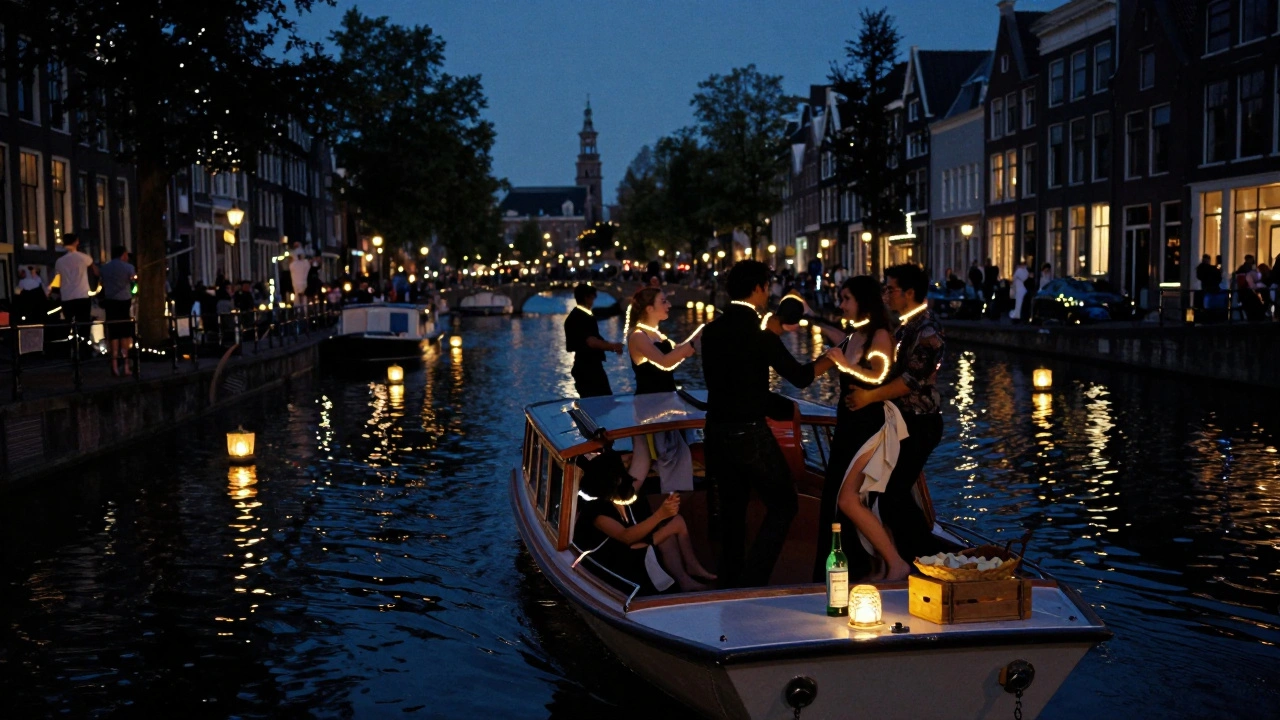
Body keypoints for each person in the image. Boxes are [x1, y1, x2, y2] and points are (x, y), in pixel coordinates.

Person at [700, 260, 835, 588]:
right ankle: (753, 580)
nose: (769, 291)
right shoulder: (759, 335)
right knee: (784, 504)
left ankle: (729, 582)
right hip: (749, 434)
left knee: (732, 511)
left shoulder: (711, 331)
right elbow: (801, 377)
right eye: (767, 286)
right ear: (758, 288)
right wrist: (832, 358)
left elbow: (727, 383)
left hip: (715, 432)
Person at [846, 263, 946, 566]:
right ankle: (916, 557)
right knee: (892, 493)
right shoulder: (905, 326)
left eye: (890, 288)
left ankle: (930, 559)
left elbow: (910, 381)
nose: (885, 294)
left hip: (920, 422)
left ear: (910, 292)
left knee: (893, 493)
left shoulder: (927, 331)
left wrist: (868, 396)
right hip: (905, 422)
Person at [812, 275, 908, 582]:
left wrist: (843, 364)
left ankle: (896, 563)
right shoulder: (854, 335)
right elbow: (838, 344)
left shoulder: (879, 335)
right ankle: (873, 566)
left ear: (862, 302)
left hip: (867, 427)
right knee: (852, 499)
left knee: (848, 499)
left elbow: (879, 375)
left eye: (846, 299)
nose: (841, 304)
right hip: (847, 426)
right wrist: (810, 320)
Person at [573, 450, 715, 594]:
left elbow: (642, 461)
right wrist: (660, 514)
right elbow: (626, 537)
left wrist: (639, 434)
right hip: (611, 563)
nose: (629, 468)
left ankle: (687, 577)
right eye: (624, 465)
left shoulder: (623, 496)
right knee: (669, 526)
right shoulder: (596, 510)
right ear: (615, 477)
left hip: (629, 550)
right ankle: (688, 573)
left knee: (672, 525)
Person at [628, 287, 702, 493]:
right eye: (663, 301)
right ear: (649, 308)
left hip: (667, 402)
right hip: (652, 406)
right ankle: (673, 504)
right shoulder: (638, 336)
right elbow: (665, 362)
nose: (669, 305)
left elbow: (678, 350)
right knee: (670, 455)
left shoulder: (656, 335)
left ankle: (631, 501)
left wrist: (701, 332)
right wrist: (693, 345)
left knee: (654, 458)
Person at [564, 283, 622, 397]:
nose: (594, 300)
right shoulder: (580, 317)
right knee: (601, 401)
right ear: (587, 297)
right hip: (589, 369)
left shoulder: (579, 315)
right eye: (593, 297)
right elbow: (591, 341)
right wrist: (613, 346)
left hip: (587, 367)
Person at [53, 234, 98, 359]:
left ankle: (69, 352)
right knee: (83, 325)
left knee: (69, 325)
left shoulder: (59, 261)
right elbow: (95, 271)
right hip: (82, 295)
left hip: (67, 297)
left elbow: (57, 278)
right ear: (77, 242)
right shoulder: (84, 258)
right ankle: (84, 352)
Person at [100, 246, 136, 376]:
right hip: (123, 303)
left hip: (110, 303)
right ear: (123, 255)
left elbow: (101, 281)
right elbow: (133, 281)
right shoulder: (129, 267)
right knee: (125, 335)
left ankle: (114, 365)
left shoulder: (105, 268)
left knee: (114, 334)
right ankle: (126, 366)